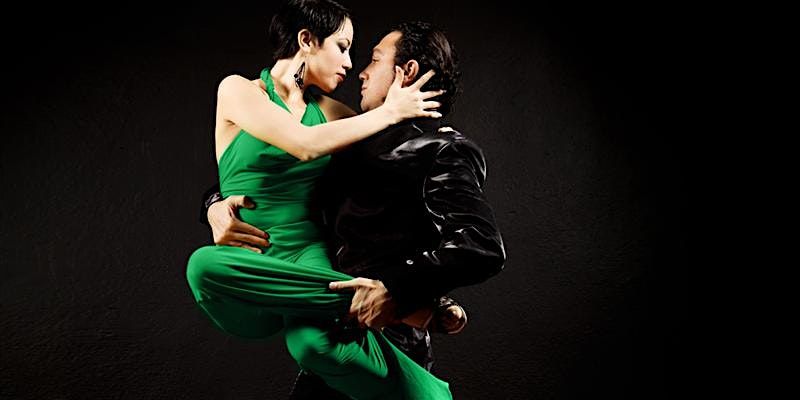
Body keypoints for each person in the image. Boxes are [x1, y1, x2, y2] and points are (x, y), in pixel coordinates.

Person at [202, 20, 506, 399]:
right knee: (209, 270)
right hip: (332, 333)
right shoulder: (353, 140)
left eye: (375, 60)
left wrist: (395, 288)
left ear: (406, 71)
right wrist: (215, 204)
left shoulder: (443, 149)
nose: (360, 71)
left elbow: (479, 244)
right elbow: (275, 177)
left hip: (388, 343)